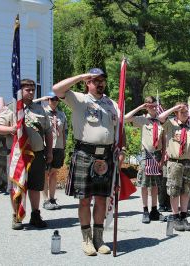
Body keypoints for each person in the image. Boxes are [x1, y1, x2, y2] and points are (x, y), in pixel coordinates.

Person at [53, 68, 124, 256]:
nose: (99, 83)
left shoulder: (112, 104)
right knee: (84, 200)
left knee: (101, 199)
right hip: (85, 153)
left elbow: (118, 131)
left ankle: (98, 239)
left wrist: (121, 150)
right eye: (94, 80)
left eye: (102, 80)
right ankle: (86, 240)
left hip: (106, 156)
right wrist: (79, 77)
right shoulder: (79, 99)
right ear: (87, 83)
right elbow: (57, 89)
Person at [0, 79, 53, 230]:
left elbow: (48, 131)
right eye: (28, 90)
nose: (32, 92)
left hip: (37, 154)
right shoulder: (11, 108)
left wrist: (50, 151)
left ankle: (35, 215)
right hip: (17, 156)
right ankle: (17, 216)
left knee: (35, 186)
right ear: (20, 91)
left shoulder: (40, 110)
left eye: (33, 89)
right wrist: (12, 129)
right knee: (16, 186)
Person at [157, 102, 190, 232]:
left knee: (186, 191)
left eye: (187, 112)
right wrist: (175, 108)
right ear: (176, 113)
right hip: (175, 162)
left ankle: (183, 216)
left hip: (188, 162)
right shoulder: (170, 125)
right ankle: (175, 216)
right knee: (174, 190)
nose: (185, 114)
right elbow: (160, 118)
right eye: (182, 112)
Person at [124, 96, 165, 223]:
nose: (152, 107)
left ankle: (154, 210)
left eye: (153, 105)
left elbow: (164, 141)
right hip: (146, 154)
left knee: (155, 184)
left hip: (158, 154)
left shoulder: (160, 120)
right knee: (144, 183)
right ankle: (145, 210)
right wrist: (140, 107)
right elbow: (125, 119)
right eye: (149, 105)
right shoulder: (142, 120)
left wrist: (163, 158)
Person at [33, 92, 67, 210]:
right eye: (52, 99)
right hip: (46, 146)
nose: (54, 101)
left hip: (58, 146)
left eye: (56, 99)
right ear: (48, 100)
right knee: (45, 173)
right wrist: (41, 99)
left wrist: (64, 147)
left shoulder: (61, 114)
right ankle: (45, 200)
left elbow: (63, 132)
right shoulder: (41, 112)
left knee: (53, 173)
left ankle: (52, 198)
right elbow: (27, 104)